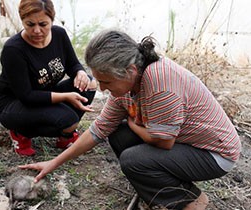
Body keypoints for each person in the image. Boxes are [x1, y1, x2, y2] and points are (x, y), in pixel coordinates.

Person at [19, 29, 241, 209]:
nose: (103, 89)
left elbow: (164, 142)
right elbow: (98, 130)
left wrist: (134, 125)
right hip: (186, 143)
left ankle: (191, 201)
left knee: (133, 159)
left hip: (214, 153)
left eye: (106, 82)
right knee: (118, 134)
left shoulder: (159, 84)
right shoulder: (127, 86)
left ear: (130, 70)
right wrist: (54, 163)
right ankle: (158, 191)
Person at [0, 0, 97, 156]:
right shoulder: (13, 49)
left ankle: (64, 135)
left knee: (89, 84)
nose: (36, 30)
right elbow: (26, 96)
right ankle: (21, 132)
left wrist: (80, 73)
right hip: (15, 104)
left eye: (43, 24)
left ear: (52, 19)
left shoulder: (59, 35)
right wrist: (66, 97)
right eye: (30, 24)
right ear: (22, 21)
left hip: (44, 94)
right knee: (69, 120)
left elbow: (72, 64)